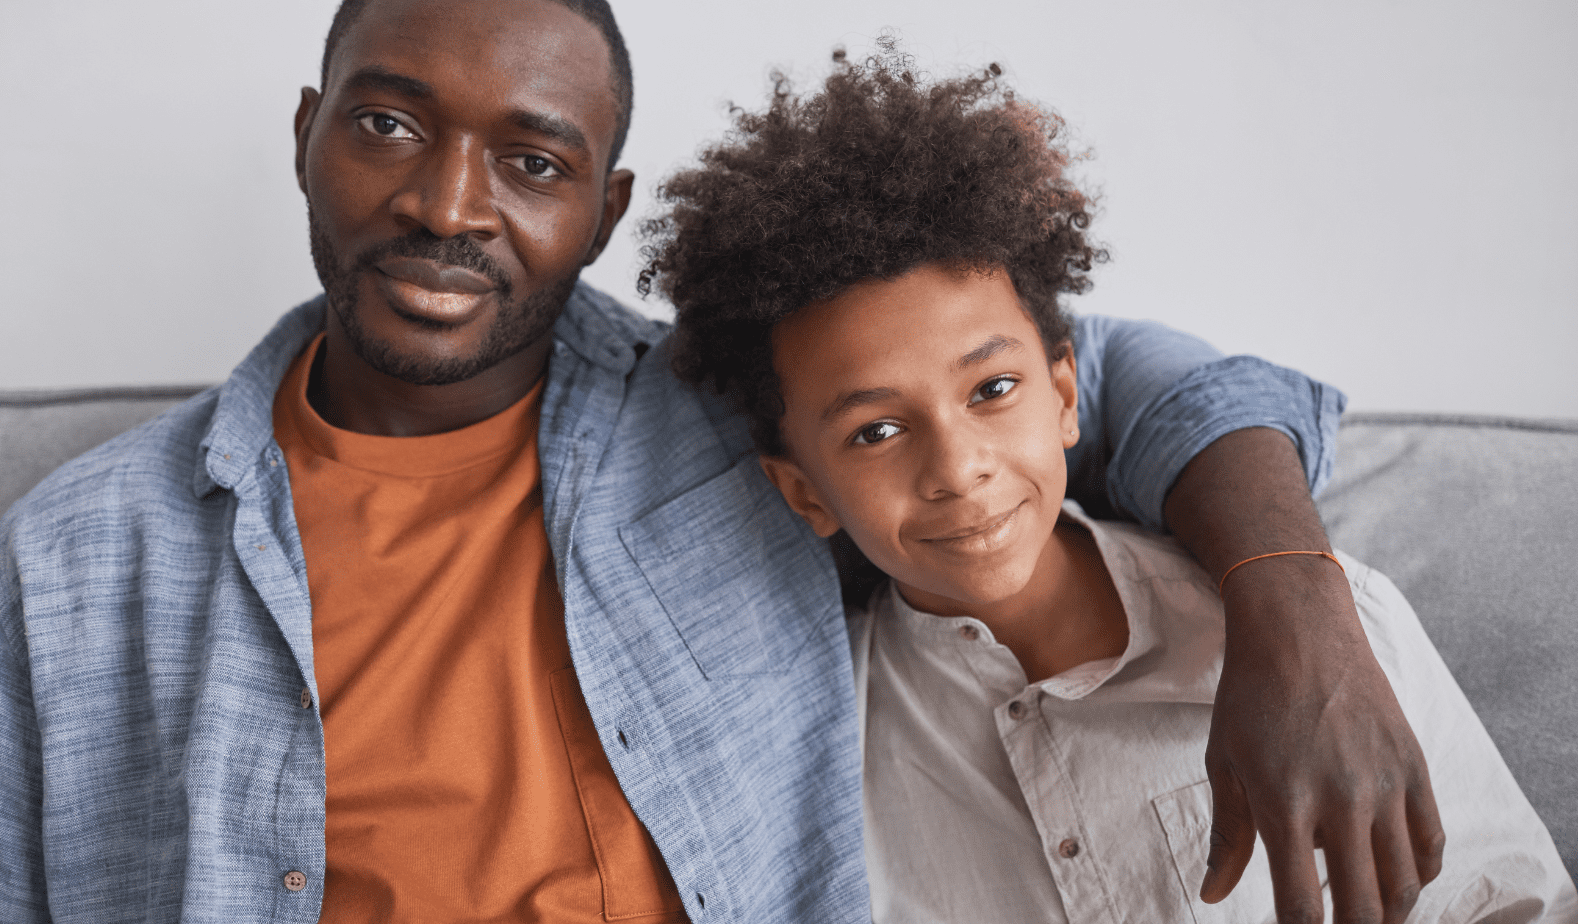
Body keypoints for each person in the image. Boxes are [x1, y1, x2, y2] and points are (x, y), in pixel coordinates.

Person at [0, 1, 1433, 921]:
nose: (446, 206)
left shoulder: (752, 417)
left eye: (532, 162)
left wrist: (1298, 615)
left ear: (604, 209)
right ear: (305, 135)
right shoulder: (72, 564)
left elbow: (1119, 377)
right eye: (386, 124)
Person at [642, 47, 1577, 923]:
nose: (958, 468)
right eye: (876, 431)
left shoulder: (1339, 630)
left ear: (1064, 395)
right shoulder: (814, 747)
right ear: (804, 491)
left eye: (992, 390)